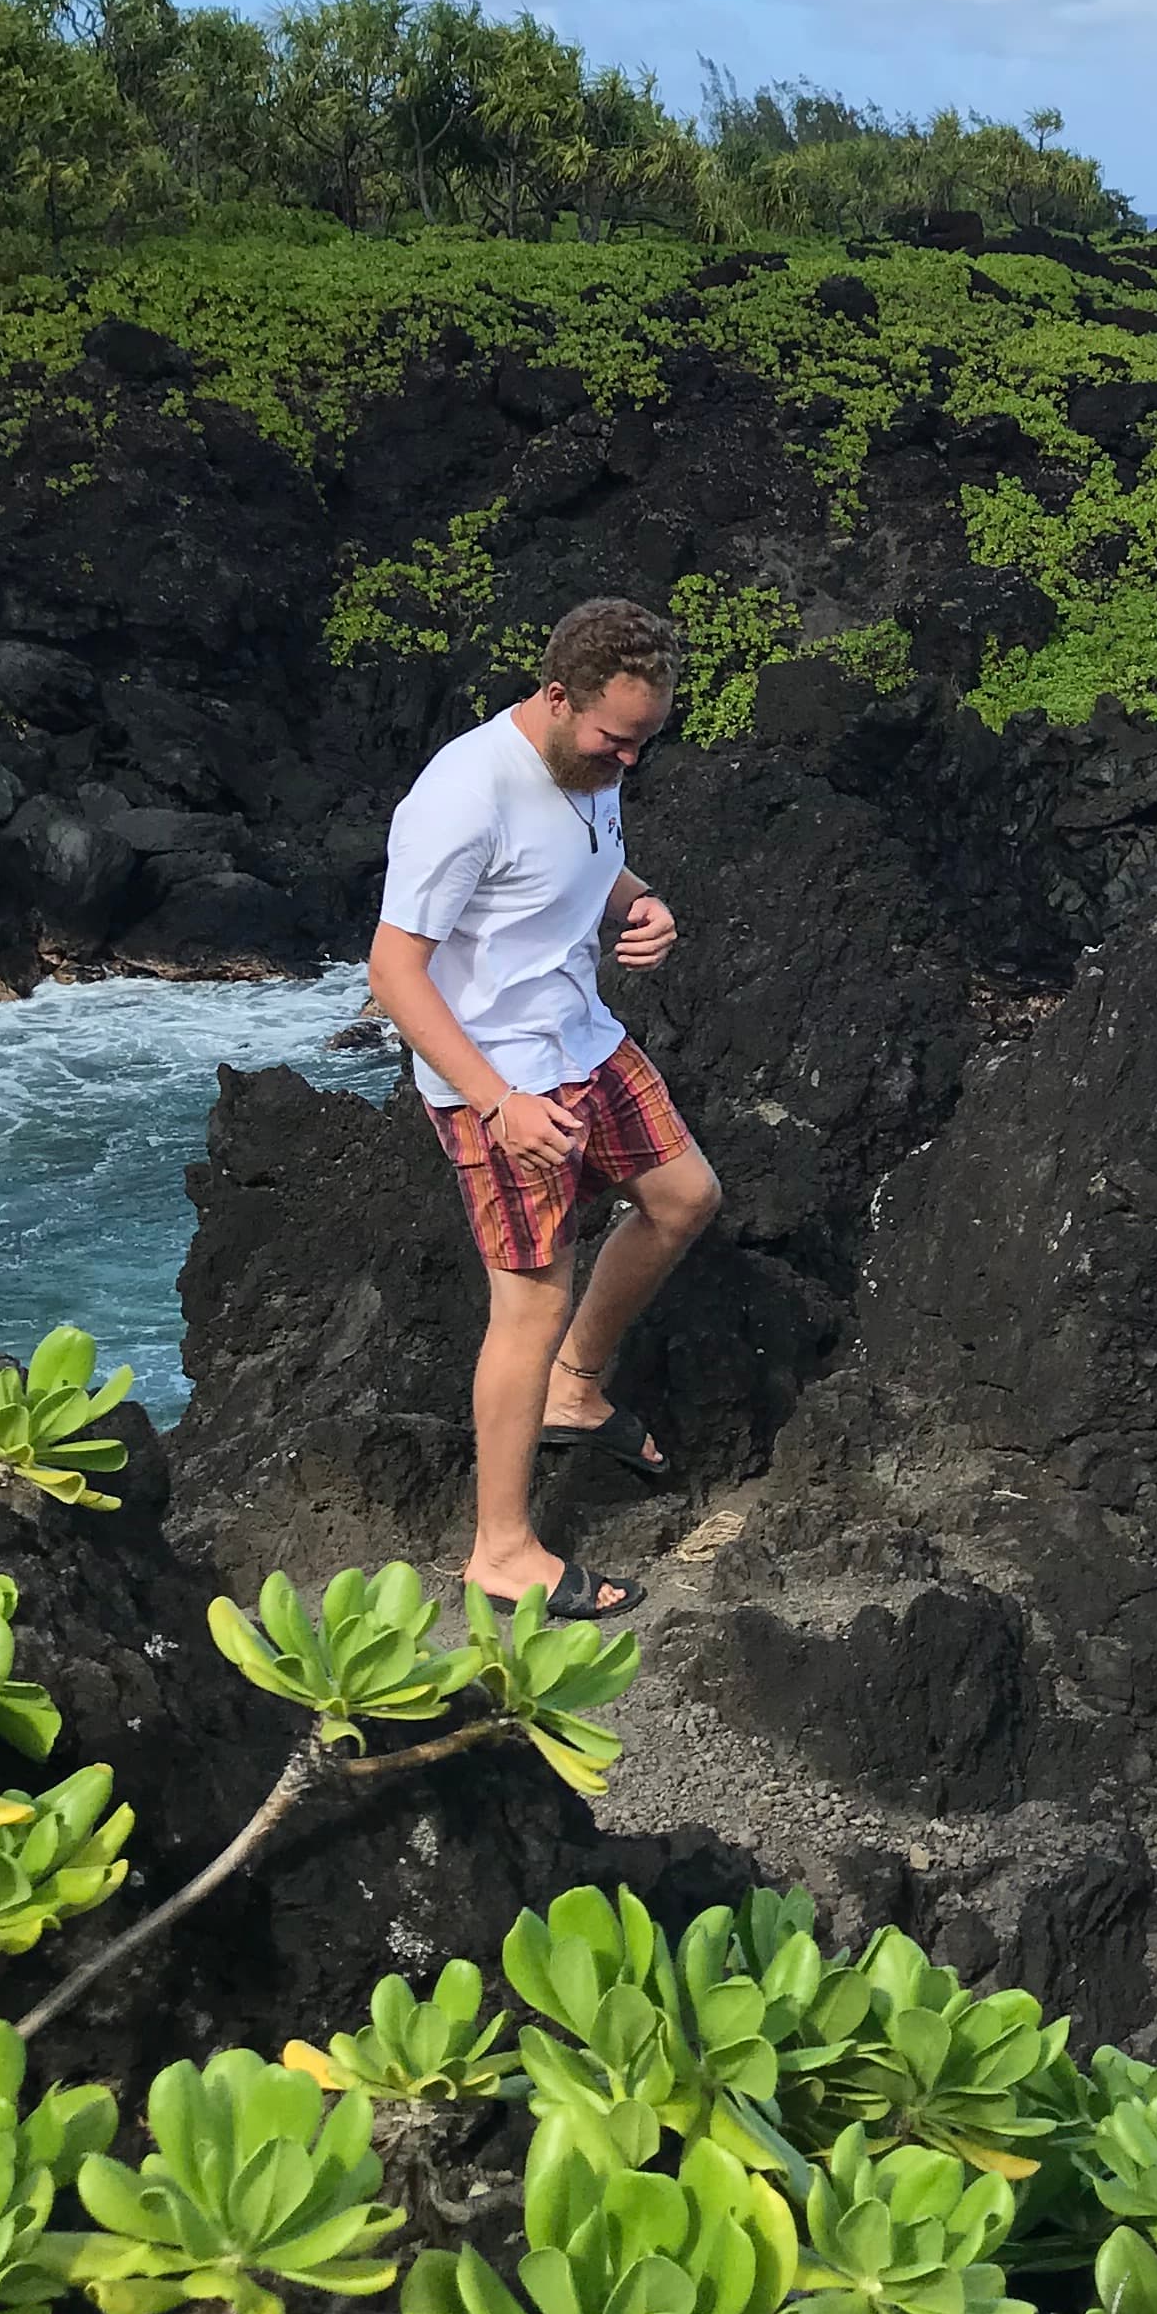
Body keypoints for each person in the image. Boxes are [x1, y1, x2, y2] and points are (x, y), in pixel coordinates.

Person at [368, 593, 722, 1622]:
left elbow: (588, 859)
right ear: (558, 697)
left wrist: (639, 903)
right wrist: (498, 1105)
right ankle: (501, 1550)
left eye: (644, 742)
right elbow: (394, 972)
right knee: (527, 1300)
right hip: (501, 1076)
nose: (629, 764)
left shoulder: (590, 764)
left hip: (582, 1034)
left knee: (684, 1198)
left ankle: (578, 1387)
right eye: (617, 740)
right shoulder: (462, 795)